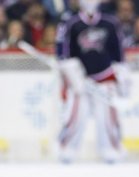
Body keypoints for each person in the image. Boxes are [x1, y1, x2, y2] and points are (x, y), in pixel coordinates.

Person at [55, 0, 127, 163]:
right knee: (76, 116)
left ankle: (111, 148)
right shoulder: (70, 23)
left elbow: (119, 54)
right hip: (81, 79)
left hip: (105, 77)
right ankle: (66, 148)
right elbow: (63, 54)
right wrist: (73, 73)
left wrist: (121, 75)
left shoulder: (111, 22)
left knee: (107, 117)